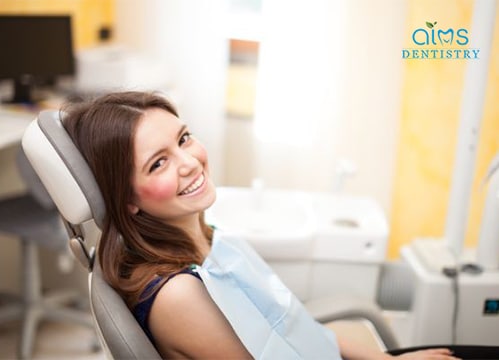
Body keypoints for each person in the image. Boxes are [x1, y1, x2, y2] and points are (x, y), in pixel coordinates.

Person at [62, 91, 459, 360]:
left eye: (183, 139)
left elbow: (292, 324)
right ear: (127, 199)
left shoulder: (207, 238)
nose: (190, 162)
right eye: (158, 162)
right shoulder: (178, 295)